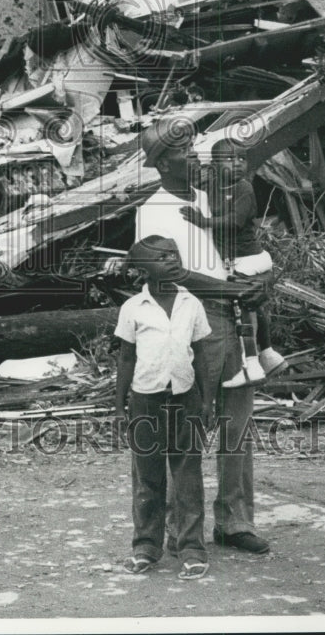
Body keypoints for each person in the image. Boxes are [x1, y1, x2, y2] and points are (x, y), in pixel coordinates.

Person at [133, 123, 270, 555]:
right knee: (184, 426)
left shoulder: (210, 196)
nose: (195, 157)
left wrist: (255, 278)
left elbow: (238, 241)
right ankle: (177, 527)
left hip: (230, 317)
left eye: (194, 148)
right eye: (183, 151)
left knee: (237, 422)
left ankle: (234, 519)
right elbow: (168, 273)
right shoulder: (154, 210)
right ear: (160, 163)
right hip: (186, 321)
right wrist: (233, 289)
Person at [115, 235, 212, 580]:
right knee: (147, 478)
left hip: (185, 399)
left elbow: (200, 354)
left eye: (175, 253)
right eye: (163, 256)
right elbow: (126, 358)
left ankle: (190, 548)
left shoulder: (191, 303)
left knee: (187, 476)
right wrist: (118, 405)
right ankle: (146, 546)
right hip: (145, 401)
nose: (173, 259)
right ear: (143, 268)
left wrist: (207, 400)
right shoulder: (133, 309)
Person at [179, 140, 286, 388]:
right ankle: (268, 353)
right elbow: (194, 179)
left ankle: (251, 363)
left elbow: (234, 221)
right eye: (230, 159)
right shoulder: (213, 185)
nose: (237, 164)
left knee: (241, 301)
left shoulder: (244, 188)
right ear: (214, 165)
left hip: (251, 258)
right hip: (237, 259)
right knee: (253, 304)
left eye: (241, 159)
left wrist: (203, 221)